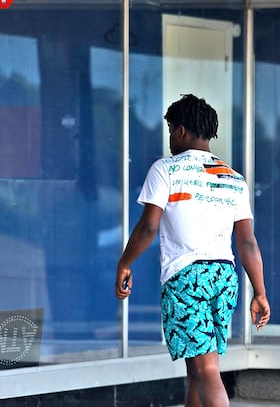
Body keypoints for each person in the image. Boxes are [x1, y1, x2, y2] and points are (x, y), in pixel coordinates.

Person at [115, 94, 270, 407]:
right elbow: (247, 242)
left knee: (206, 367)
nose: (171, 138)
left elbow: (148, 227)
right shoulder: (233, 178)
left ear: (181, 130)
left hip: (187, 277)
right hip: (224, 277)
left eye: (171, 130)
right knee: (196, 365)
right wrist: (260, 291)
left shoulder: (166, 170)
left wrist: (125, 263)